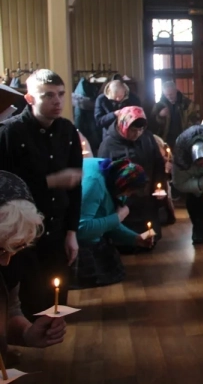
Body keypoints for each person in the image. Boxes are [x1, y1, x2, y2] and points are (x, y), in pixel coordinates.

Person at [0, 69, 82, 319]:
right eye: (47, 95)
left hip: (57, 227)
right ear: (29, 99)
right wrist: (48, 181)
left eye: (60, 94)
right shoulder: (9, 132)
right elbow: (3, 187)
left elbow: (75, 187)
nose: (57, 101)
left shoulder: (68, 131)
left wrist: (72, 232)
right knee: (25, 303)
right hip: (20, 233)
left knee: (55, 302)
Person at [0, 171, 68, 354]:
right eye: (0, 250)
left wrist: (27, 333)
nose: (6, 262)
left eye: (17, 248)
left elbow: (9, 313)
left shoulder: (12, 260)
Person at [75, 158, 154, 288]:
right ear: (122, 185)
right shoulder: (95, 183)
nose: (128, 196)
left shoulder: (115, 178)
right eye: (129, 192)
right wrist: (118, 217)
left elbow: (106, 219)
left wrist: (135, 238)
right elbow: (81, 229)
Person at [98, 106, 166, 239]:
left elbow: (158, 162)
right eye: (133, 130)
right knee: (127, 238)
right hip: (124, 197)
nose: (137, 134)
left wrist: (160, 186)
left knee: (150, 236)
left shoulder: (147, 138)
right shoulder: (109, 144)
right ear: (123, 125)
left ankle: (147, 241)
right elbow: (105, 173)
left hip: (146, 194)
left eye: (141, 130)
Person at [150, 81, 199, 149]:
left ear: (176, 91)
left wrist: (188, 135)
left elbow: (193, 120)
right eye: (167, 95)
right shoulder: (159, 106)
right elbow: (153, 124)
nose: (169, 97)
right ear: (164, 94)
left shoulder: (187, 104)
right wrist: (160, 116)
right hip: (165, 139)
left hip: (184, 138)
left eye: (171, 94)